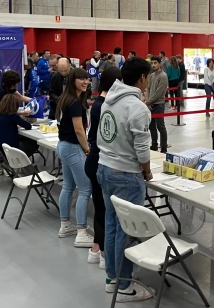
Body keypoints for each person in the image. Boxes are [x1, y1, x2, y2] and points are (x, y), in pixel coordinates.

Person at [97, 57, 155, 302]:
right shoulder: (137, 107)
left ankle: (112, 278)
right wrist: (148, 171)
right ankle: (124, 285)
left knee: (111, 224)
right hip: (126, 174)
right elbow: (142, 149)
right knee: (126, 231)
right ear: (142, 78)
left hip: (105, 168)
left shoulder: (107, 101)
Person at [84, 66, 122, 270]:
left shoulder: (99, 103)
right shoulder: (105, 105)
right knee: (103, 209)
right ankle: (104, 253)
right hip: (99, 159)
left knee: (100, 207)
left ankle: (96, 248)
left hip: (94, 159)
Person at [54, 68, 94, 247]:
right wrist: (87, 150)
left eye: (86, 79)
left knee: (68, 187)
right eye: (81, 79)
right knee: (85, 189)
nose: (85, 82)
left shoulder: (65, 99)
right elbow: (79, 130)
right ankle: (81, 232)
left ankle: (65, 225)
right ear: (72, 81)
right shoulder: (75, 102)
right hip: (72, 148)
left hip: (63, 146)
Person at [0, 93, 35, 176]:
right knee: (33, 143)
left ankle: (7, 162)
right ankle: (12, 162)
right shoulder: (13, 116)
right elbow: (28, 126)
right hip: (8, 149)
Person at [145, 56, 168, 153]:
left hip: (159, 104)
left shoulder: (163, 76)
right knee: (151, 126)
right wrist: (148, 101)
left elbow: (159, 92)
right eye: (152, 63)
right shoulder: (152, 75)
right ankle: (154, 145)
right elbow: (148, 89)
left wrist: (148, 102)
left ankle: (163, 147)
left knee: (160, 127)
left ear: (159, 64)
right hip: (150, 105)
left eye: (155, 63)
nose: (153, 65)